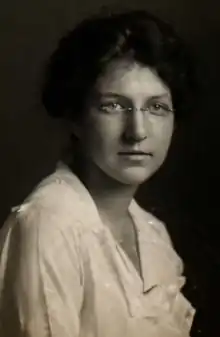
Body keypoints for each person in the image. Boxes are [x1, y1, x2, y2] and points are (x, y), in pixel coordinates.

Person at [0, 9, 196, 337]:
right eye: (113, 106)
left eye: (156, 107)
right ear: (75, 118)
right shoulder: (49, 223)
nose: (137, 132)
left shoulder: (153, 234)